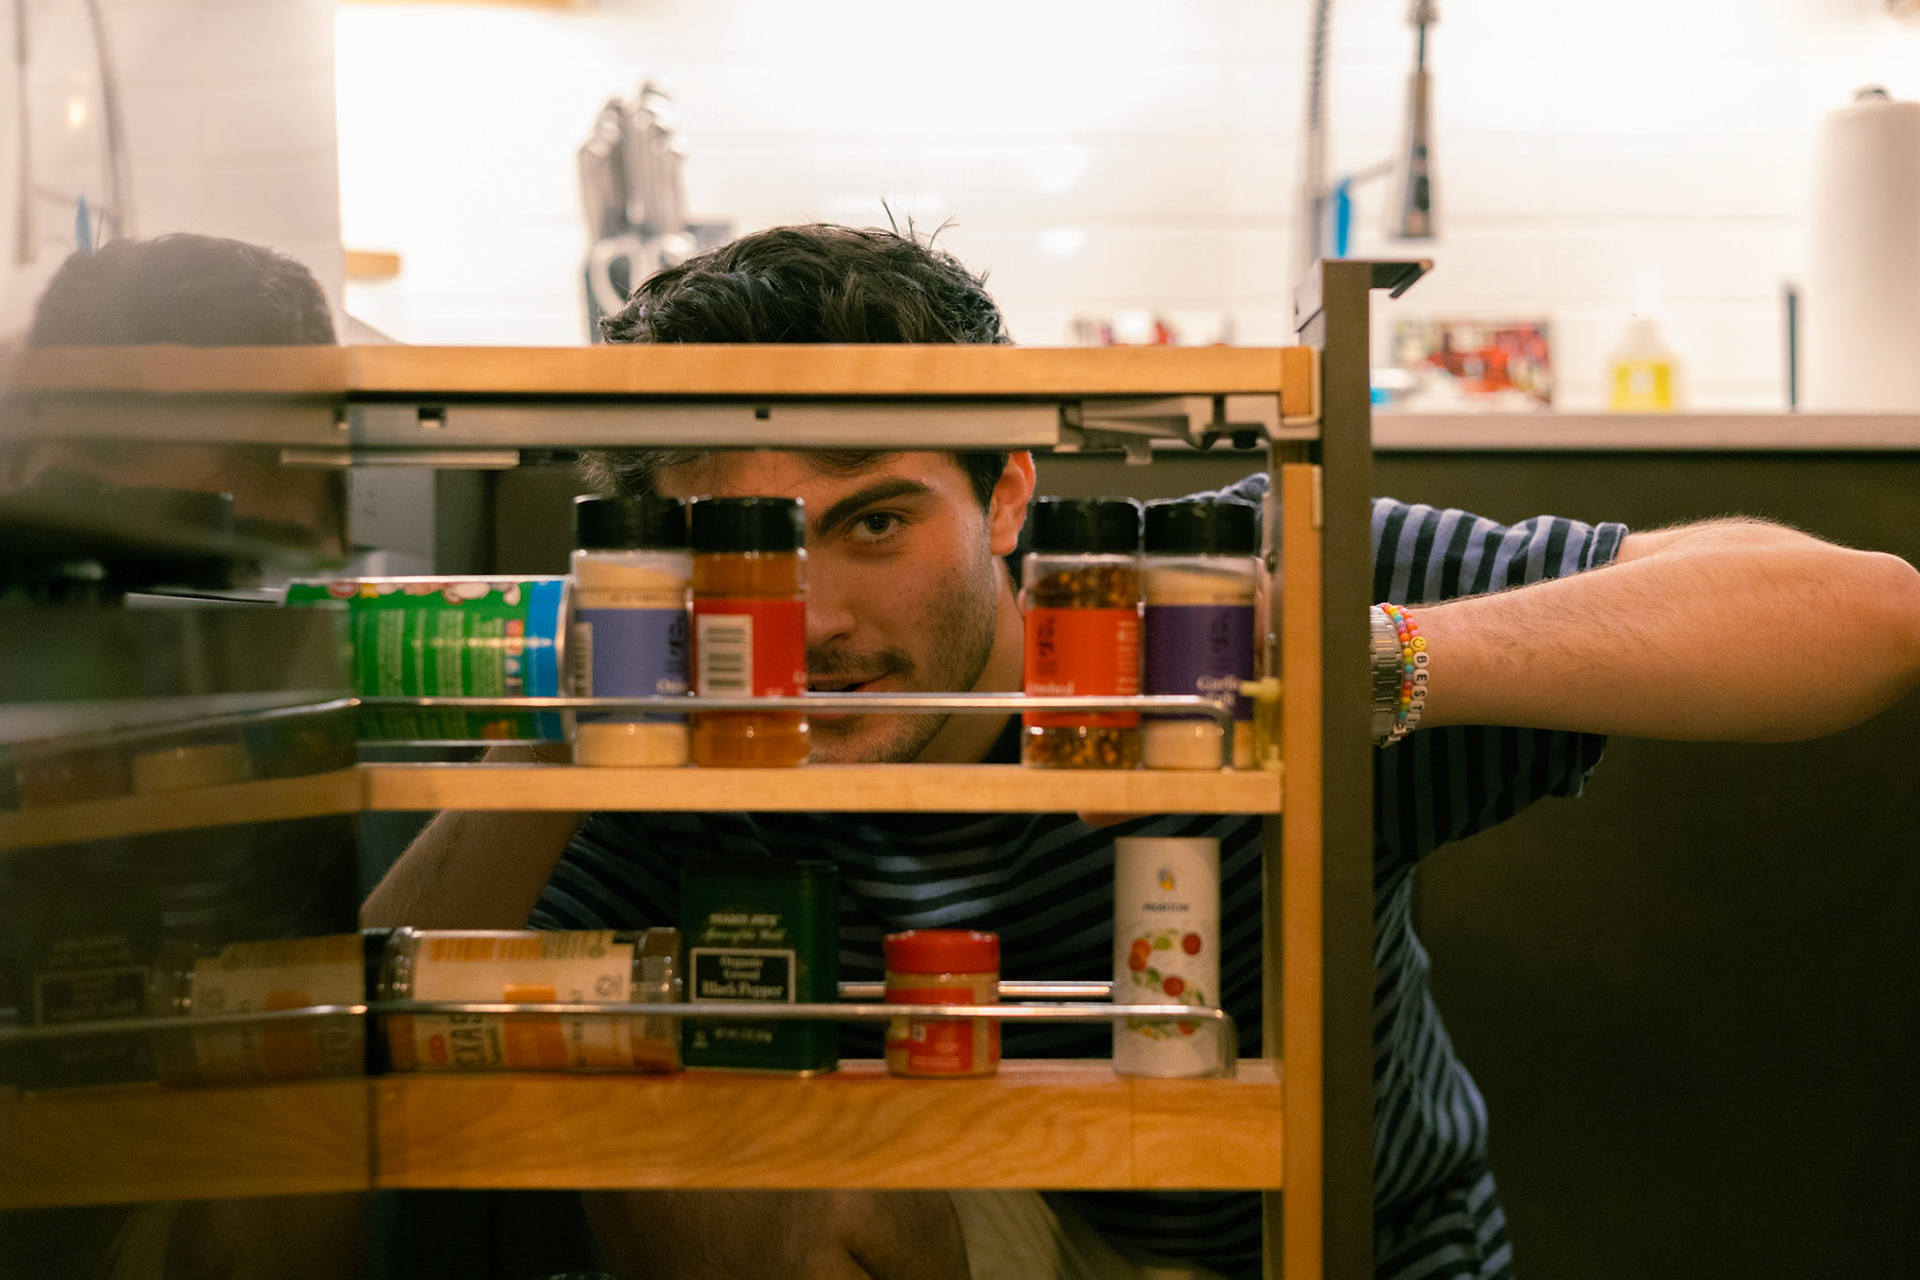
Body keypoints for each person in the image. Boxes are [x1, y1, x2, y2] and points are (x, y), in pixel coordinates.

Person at [362, 224, 1920, 1280]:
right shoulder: (674, 707)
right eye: (741, 543)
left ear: (1016, 499)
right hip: (952, 1234)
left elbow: (1861, 611)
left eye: (878, 522)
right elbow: (372, 1011)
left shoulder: (1202, 585)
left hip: (1336, 1245)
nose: (814, 618)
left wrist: (1359, 661)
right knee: (687, 1160)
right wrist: (561, 720)